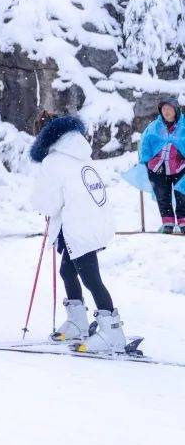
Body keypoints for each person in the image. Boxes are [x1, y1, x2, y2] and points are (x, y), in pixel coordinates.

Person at [30, 115, 126, 353]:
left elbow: (48, 203)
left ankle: (112, 332)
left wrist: (44, 207)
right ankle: (77, 322)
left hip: (78, 227)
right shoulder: (83, 157)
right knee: (67, 271)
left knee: (91, 278)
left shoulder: (53, 161)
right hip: (92, 223)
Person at [139, 100, 185, 234]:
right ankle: (168, 223)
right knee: (162, 195)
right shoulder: (154, 127)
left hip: (180, 167)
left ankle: (183, 223)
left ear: (175, 110)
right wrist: (147, 162)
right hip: (158, 168)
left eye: (168, 108)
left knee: (182, 194)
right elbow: (145, 144)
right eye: (163, 109)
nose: (166, 111)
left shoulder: (183, 125)